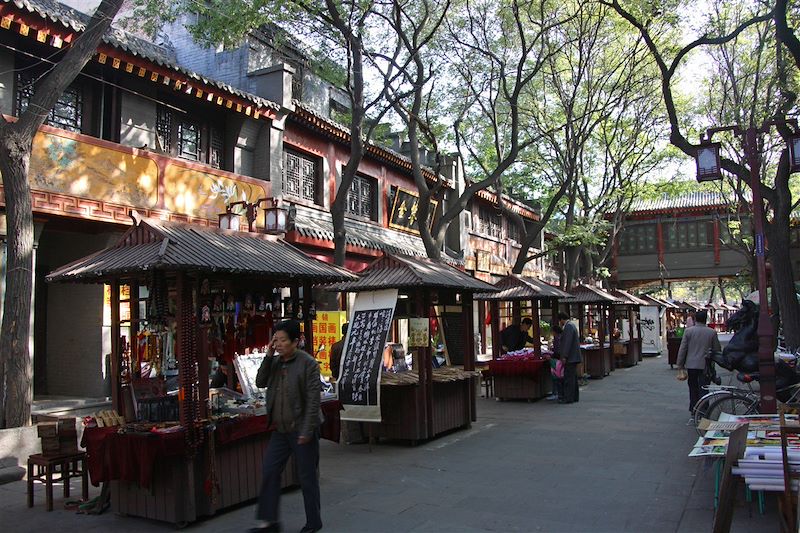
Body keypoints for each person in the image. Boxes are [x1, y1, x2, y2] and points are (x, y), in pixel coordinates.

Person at [253, 320, 323, 533]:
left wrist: (306, 431)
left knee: (307, 477)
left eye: (283, 340)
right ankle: (269, 523)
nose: (279, 344)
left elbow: (313, 401)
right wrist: (267, 356)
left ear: (295, 341)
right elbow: (260, 382)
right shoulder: (274, 362)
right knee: (270, 471)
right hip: (281, 430)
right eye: (276, 339)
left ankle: (313, 522)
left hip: (303, 429)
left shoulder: (308, 363)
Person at [677, 309, 721, 416]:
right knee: (704, 388)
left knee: (693, 387)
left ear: (695, 319)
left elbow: (683, 349)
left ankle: (694, 408)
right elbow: (717, 349)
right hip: (705, 365)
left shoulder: (688, 331)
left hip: (691, 365)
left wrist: (680, 364)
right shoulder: (711, 332)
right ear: (705, 319)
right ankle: (704, 409)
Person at [557, 312, 582, 404]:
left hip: (571, 357)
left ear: (562, 319)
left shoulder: (568, 327)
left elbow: (567, 343)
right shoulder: (571, 326)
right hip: (573, 357)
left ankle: (568, 397)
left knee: (569, 378)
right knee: (573, 378)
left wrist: (564, 356)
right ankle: (574, 396)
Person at [547, 324, 564, 401]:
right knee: (559, 377)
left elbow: (557, 351)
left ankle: (555, 393)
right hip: (560, 360)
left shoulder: (557, 339)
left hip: (556, 361)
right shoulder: (561, 337)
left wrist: (551, 355)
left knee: (556, 377)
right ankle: (558, 393)